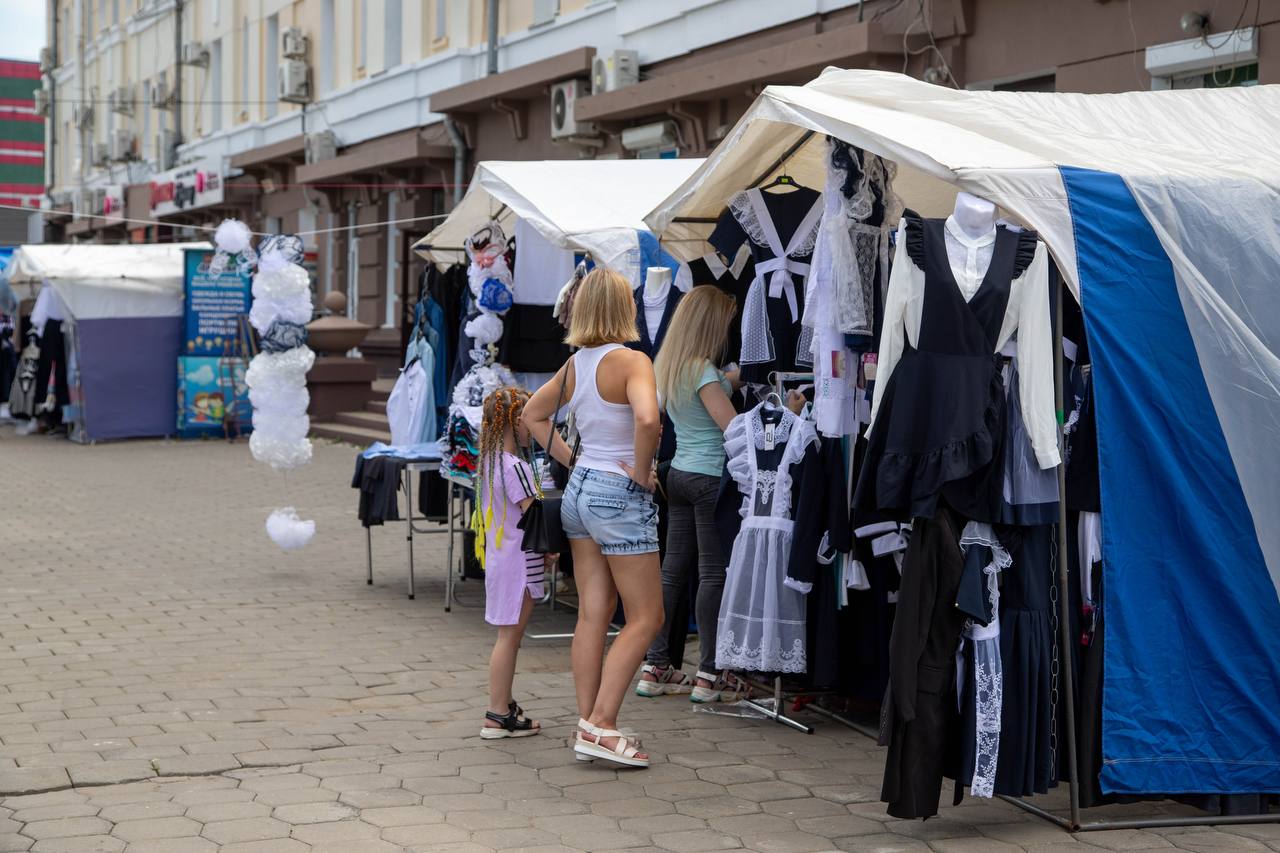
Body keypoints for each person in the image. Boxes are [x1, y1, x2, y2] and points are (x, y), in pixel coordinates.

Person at [522, 267, 663, 769]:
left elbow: (530, 417)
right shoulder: (633, 361)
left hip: (581, 491)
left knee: (592, 613)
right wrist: (643, 472)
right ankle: (601, 725)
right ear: (625, 307)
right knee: (646, 617)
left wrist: (573, 462)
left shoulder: (577, 364)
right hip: (619, 493)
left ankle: (589, 723)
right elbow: (648, 418)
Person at [634, 286, 760, 703]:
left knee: (672, 572)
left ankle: (656, 665)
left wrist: (736, 376)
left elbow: (711, 386)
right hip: (709, 479)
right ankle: (710, 672)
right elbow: (733, 429)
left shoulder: (669, 366)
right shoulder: (704, 371)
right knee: (711, 574)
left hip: (680, 475)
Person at [474, 386, 544, 740]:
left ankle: (503, 705)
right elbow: (533, 513)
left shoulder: (489, 463)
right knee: (510, 638)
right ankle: (498, 713)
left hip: (502, 559)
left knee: (507, 636)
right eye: (531, 418)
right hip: (521, 562)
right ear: (517, 422)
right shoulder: (515, 467)